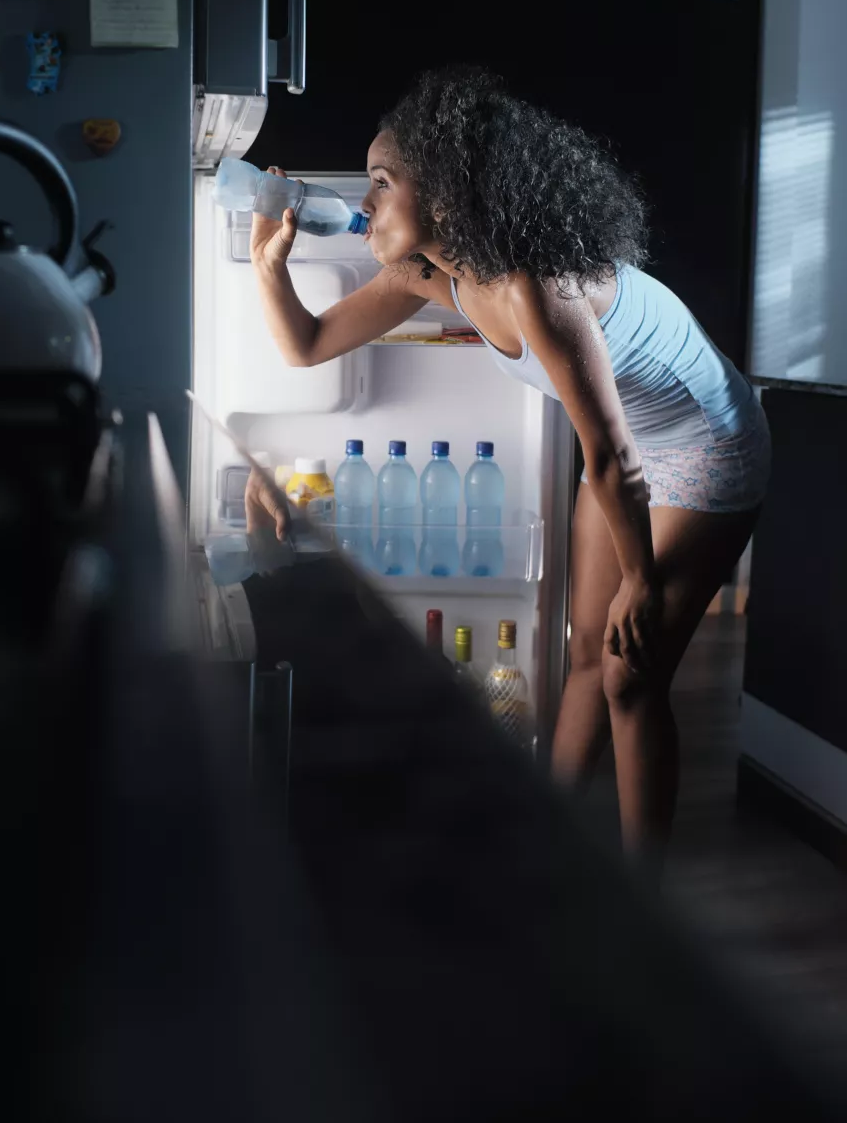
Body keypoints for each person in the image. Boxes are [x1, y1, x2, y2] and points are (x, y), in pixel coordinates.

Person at [249, 67, 770, 856]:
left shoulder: (538, 285)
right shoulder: (432, 276)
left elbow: (612, 457)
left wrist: (642, 579)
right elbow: (306, 345)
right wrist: (267, 265)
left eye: (383, 183)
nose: (363, 201)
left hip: (702, 443)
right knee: (585, 649)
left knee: (632, 673)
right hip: (624, 455)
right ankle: (549, 846)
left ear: (450, 192)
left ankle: (638, 899)